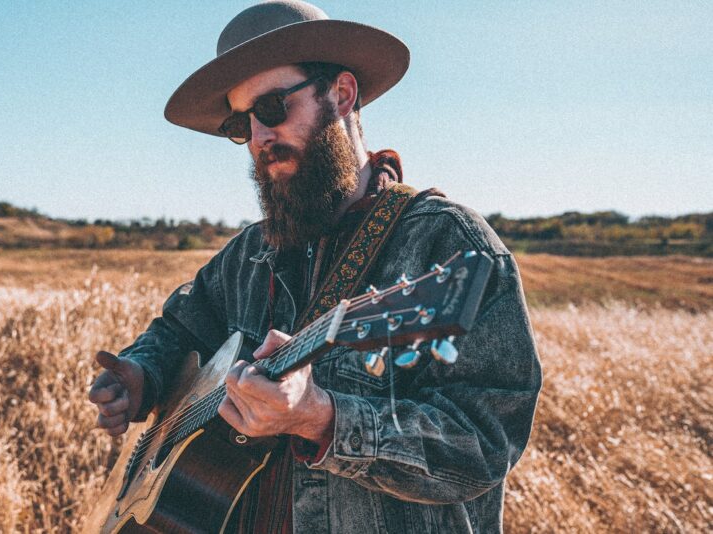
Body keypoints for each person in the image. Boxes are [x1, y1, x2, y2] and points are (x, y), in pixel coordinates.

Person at [88, 1, 542, 532]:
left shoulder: (447, 245)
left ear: (342, 94)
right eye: (242, 122)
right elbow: (180, 328)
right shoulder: (249, 254)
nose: (258, 135)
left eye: (274, 106)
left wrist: (325, 418)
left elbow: (486, 444)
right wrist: (144, 374)